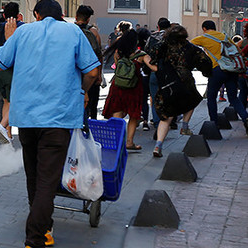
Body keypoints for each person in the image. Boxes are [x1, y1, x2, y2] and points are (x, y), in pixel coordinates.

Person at [0, 0, 99, 248]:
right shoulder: (74, 32)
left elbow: (1, 63)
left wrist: (9, 37)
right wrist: (82, 90)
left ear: (37, 15)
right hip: (59, 117)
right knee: (47, 180)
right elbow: (93, 71)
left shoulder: (23, 31)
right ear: (63, 15)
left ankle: (45, 229)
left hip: (27, 117)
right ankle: (34, 245)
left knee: (34, 175)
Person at [151, 25, 212, 157]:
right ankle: (184, 125)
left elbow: (152, 59)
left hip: (167, 82)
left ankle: (158, 145)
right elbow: (205, 61)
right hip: (185, 81)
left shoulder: (162, 46)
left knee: (167, 115)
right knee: (194, 99)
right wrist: (207, 73)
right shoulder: (190, 48)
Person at [101, 22, 155, 150]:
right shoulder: (141, 55)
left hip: (118, 85)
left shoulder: (118, 53)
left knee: (117, 113)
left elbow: (117, 69)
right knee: (133, 115)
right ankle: (129, 142)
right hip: (134, 87)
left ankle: (116, 141)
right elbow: (153, 67)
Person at [191, 20, 248, 134]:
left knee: (211, 96)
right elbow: (237, 50)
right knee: (233, 97)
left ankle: (214, 123)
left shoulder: (203, 38)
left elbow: (189, 45)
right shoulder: (224, 37)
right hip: (231, 70)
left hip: (217, 69)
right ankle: (245, 118)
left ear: (204, 28)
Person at [0, 2, 23, 144]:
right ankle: (4, 128)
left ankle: (7, 133)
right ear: (19, 14)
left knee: (6, 100)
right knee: (15, 100)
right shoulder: (23, 28)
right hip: (15, 70)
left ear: (4, 15)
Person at [75, 5, 103, 119]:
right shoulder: (93, 32)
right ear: (88, 19)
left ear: (76, 16)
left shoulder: (70, 30)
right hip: (91, 72)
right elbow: (99, 55)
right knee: (92, 104)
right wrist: (99, 75)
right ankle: (92, 128)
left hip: (75, 73)